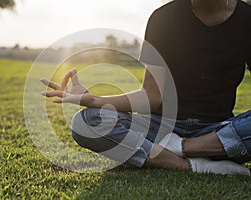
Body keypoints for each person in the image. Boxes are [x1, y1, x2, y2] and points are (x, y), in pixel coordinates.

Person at [41, 0, 251, 175]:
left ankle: (181, 149)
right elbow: (152, 96)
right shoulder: (163, 18)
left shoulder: (247, 18)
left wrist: (183, 144)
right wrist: (94, 100)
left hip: (217, 130)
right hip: (161, 129)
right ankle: (193, 165)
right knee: (85, 122)